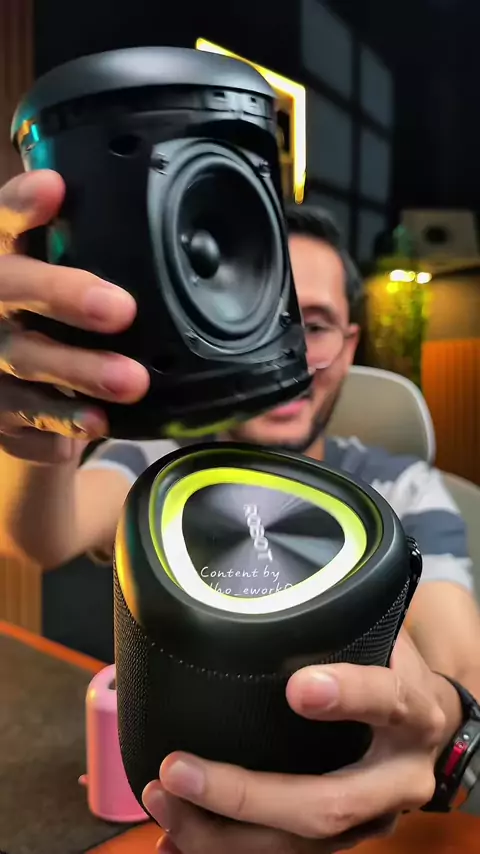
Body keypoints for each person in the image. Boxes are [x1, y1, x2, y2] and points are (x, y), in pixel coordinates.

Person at [1, 170, 480, 853]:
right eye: (259, 313)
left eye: (315, 324)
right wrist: (44, 415)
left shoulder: (401, 487)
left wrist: (442, 720)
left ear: (351, 342)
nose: (288, 348)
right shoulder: (165, 466)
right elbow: (42, 538)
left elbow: (460, 662)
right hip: (158, 802)